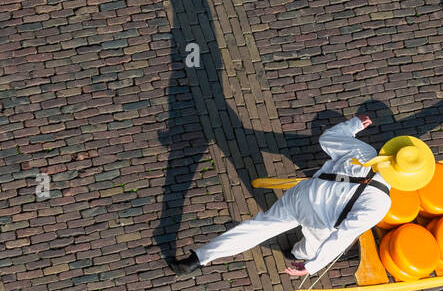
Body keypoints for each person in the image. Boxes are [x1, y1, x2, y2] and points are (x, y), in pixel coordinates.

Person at [168, 113, 394, 279]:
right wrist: (312, 267)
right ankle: (294, 252)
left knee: (257, 229)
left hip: (304, 195)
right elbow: (343, 235)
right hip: (323, 223)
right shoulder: (381, 203)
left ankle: (197, 260)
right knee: (311, 249)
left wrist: (353, 124)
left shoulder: (366, 153)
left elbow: (328, 139)